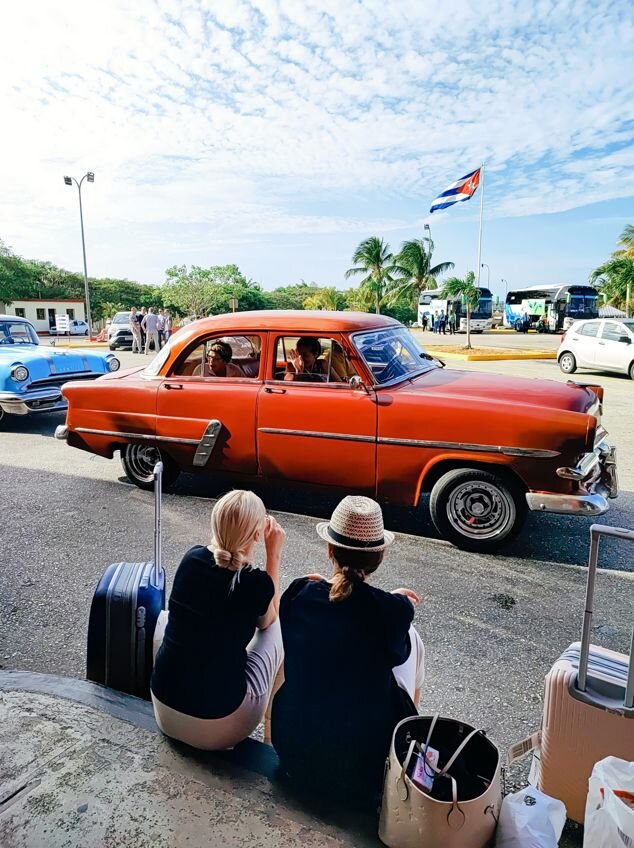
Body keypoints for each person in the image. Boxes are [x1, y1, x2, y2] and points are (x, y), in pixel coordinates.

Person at [271, 496, 425, 810]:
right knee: (412, 644)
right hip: (360, 773)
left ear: (330, 550)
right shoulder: (393, 611)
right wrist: (395, 602)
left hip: (293, 753)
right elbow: (395, 652)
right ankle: (404, 754)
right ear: (379, 557)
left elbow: (331, 612)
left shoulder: (299, 594)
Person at [151, 490, 285, 750]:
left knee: (170, 620)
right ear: (258, 534)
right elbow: (269, 620)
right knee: (278, 627)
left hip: (165, 710)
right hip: (219, 726)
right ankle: (271, 738)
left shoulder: (190, 559)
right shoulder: (255, 582)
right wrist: (273, 555)